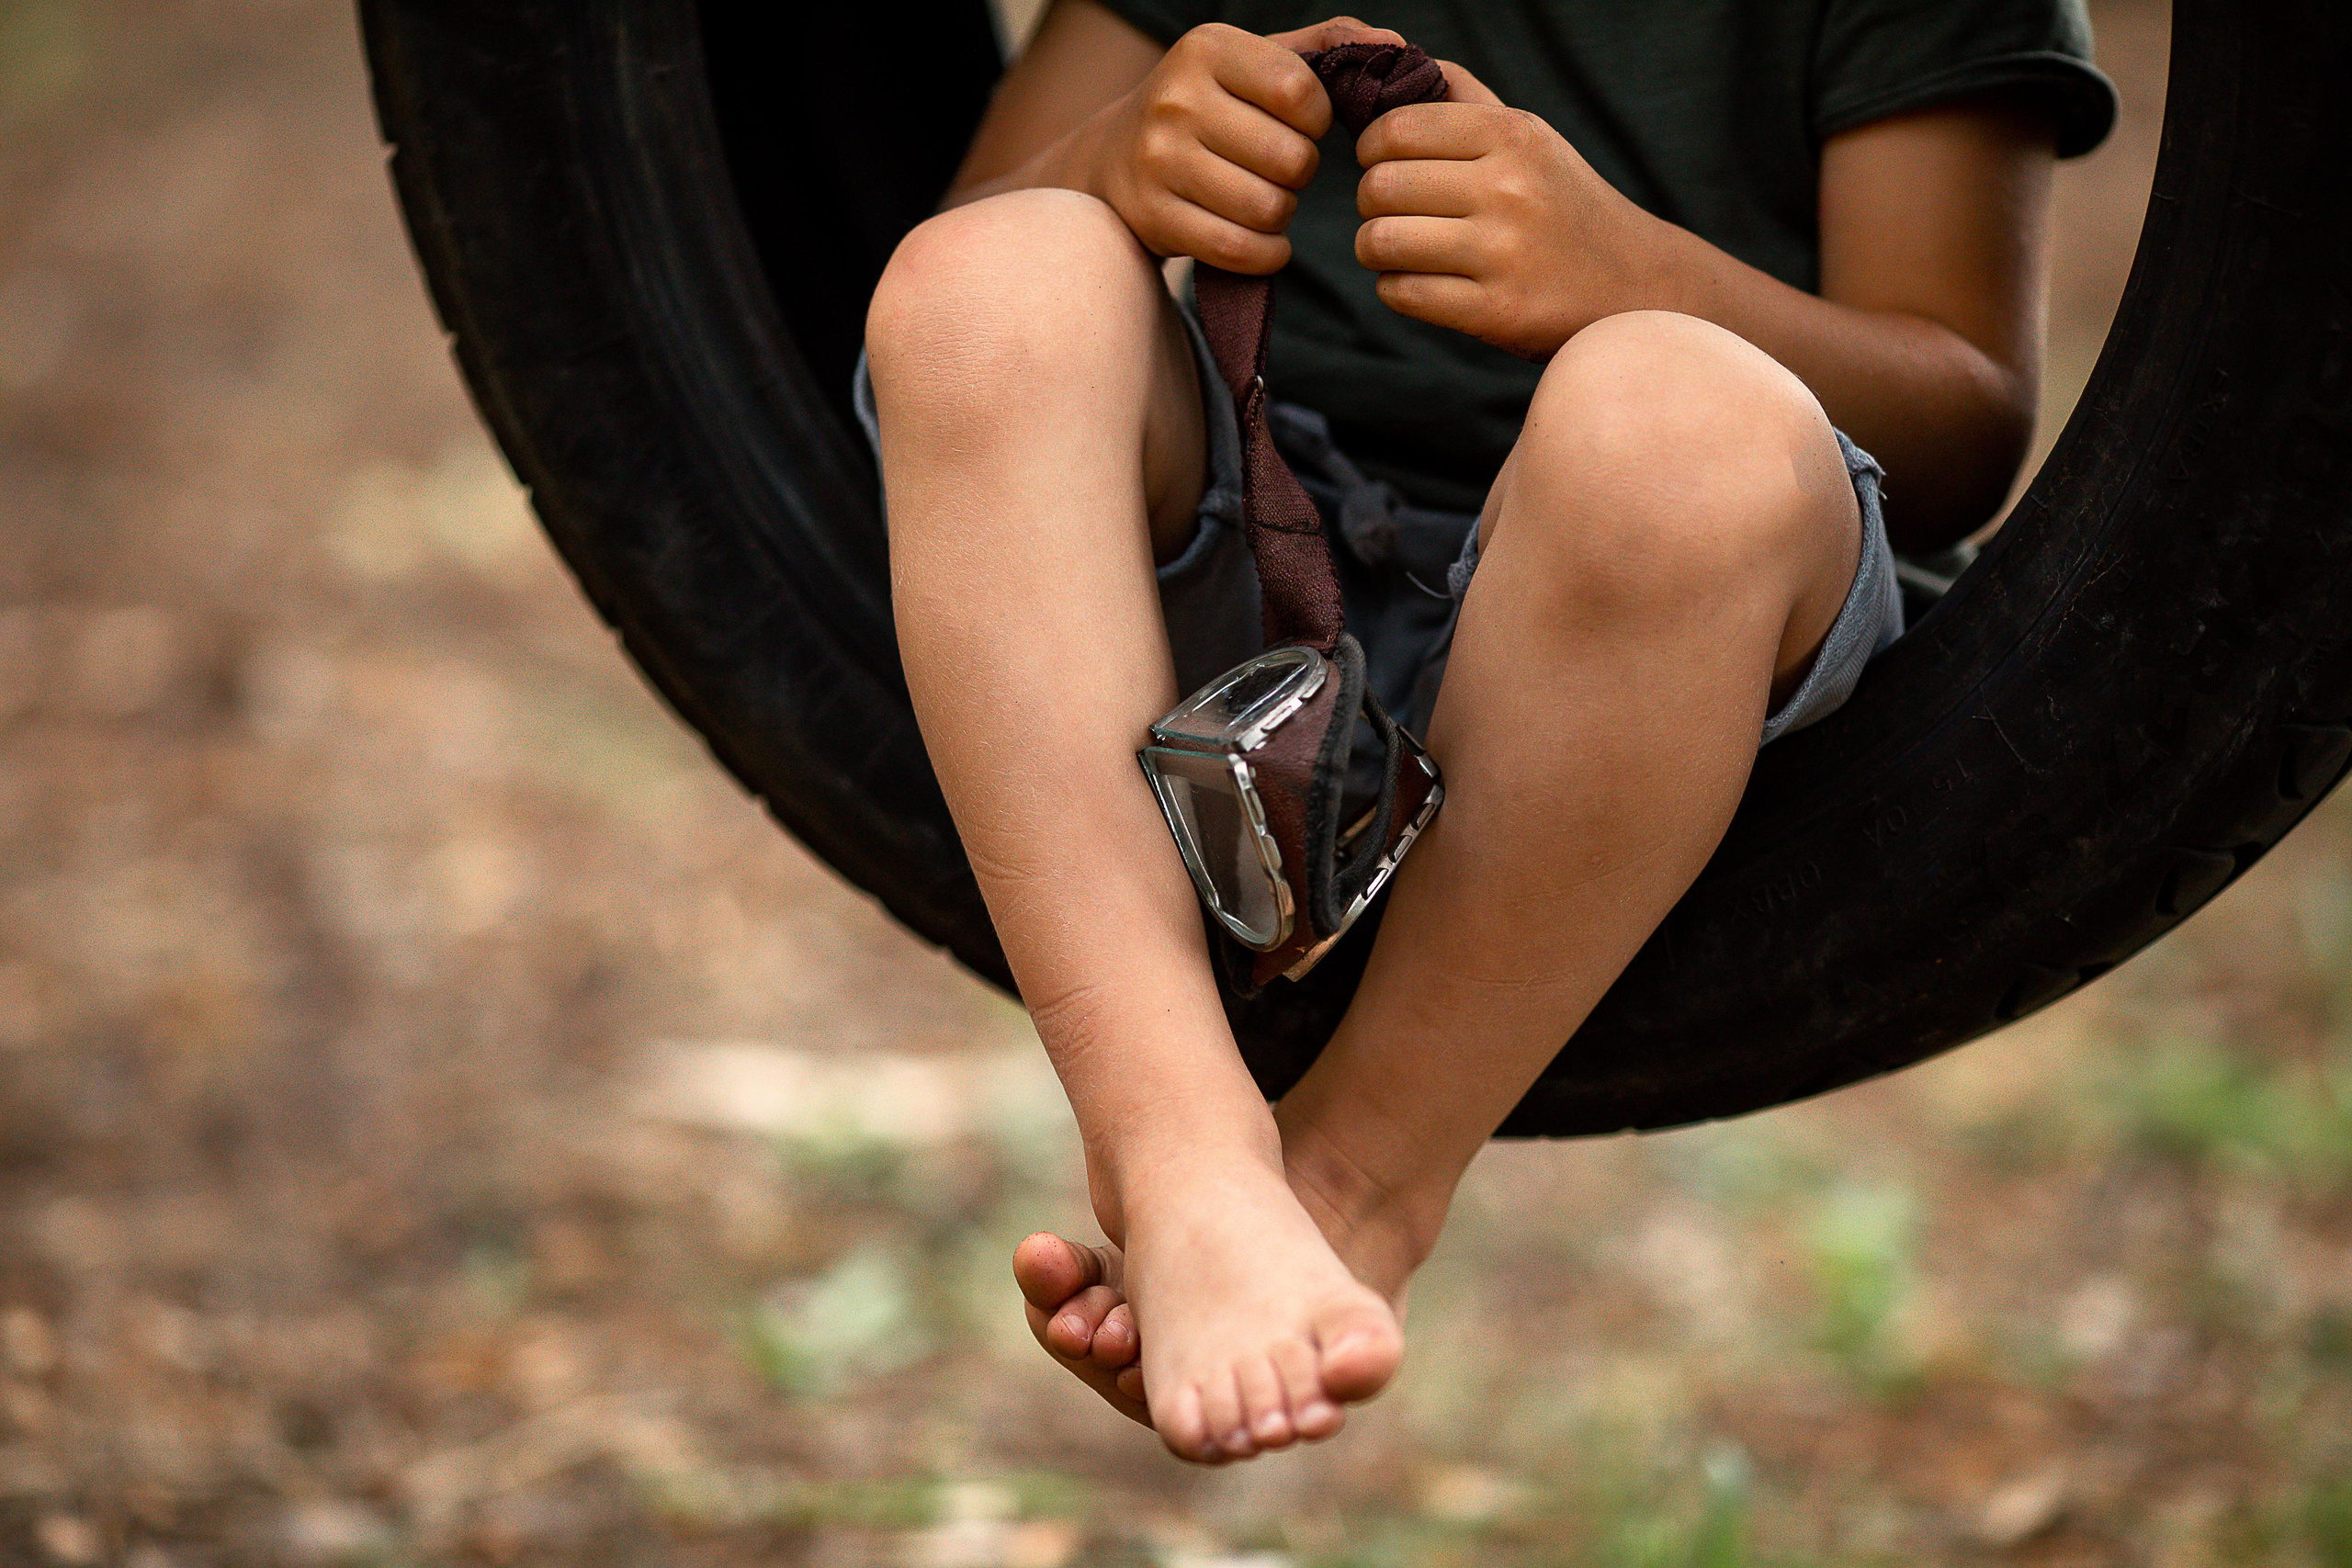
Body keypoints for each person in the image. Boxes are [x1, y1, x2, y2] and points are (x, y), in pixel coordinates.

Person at [858, 0, 2112, 1463]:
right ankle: (1177, 1148)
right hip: (1249, 542)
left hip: (1661, 629)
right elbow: (967, 251)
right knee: (986, 286)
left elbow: (1965, 422)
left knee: (1669, 416)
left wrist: (1637, 273)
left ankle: (1352, 1187)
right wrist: (1117, 158)